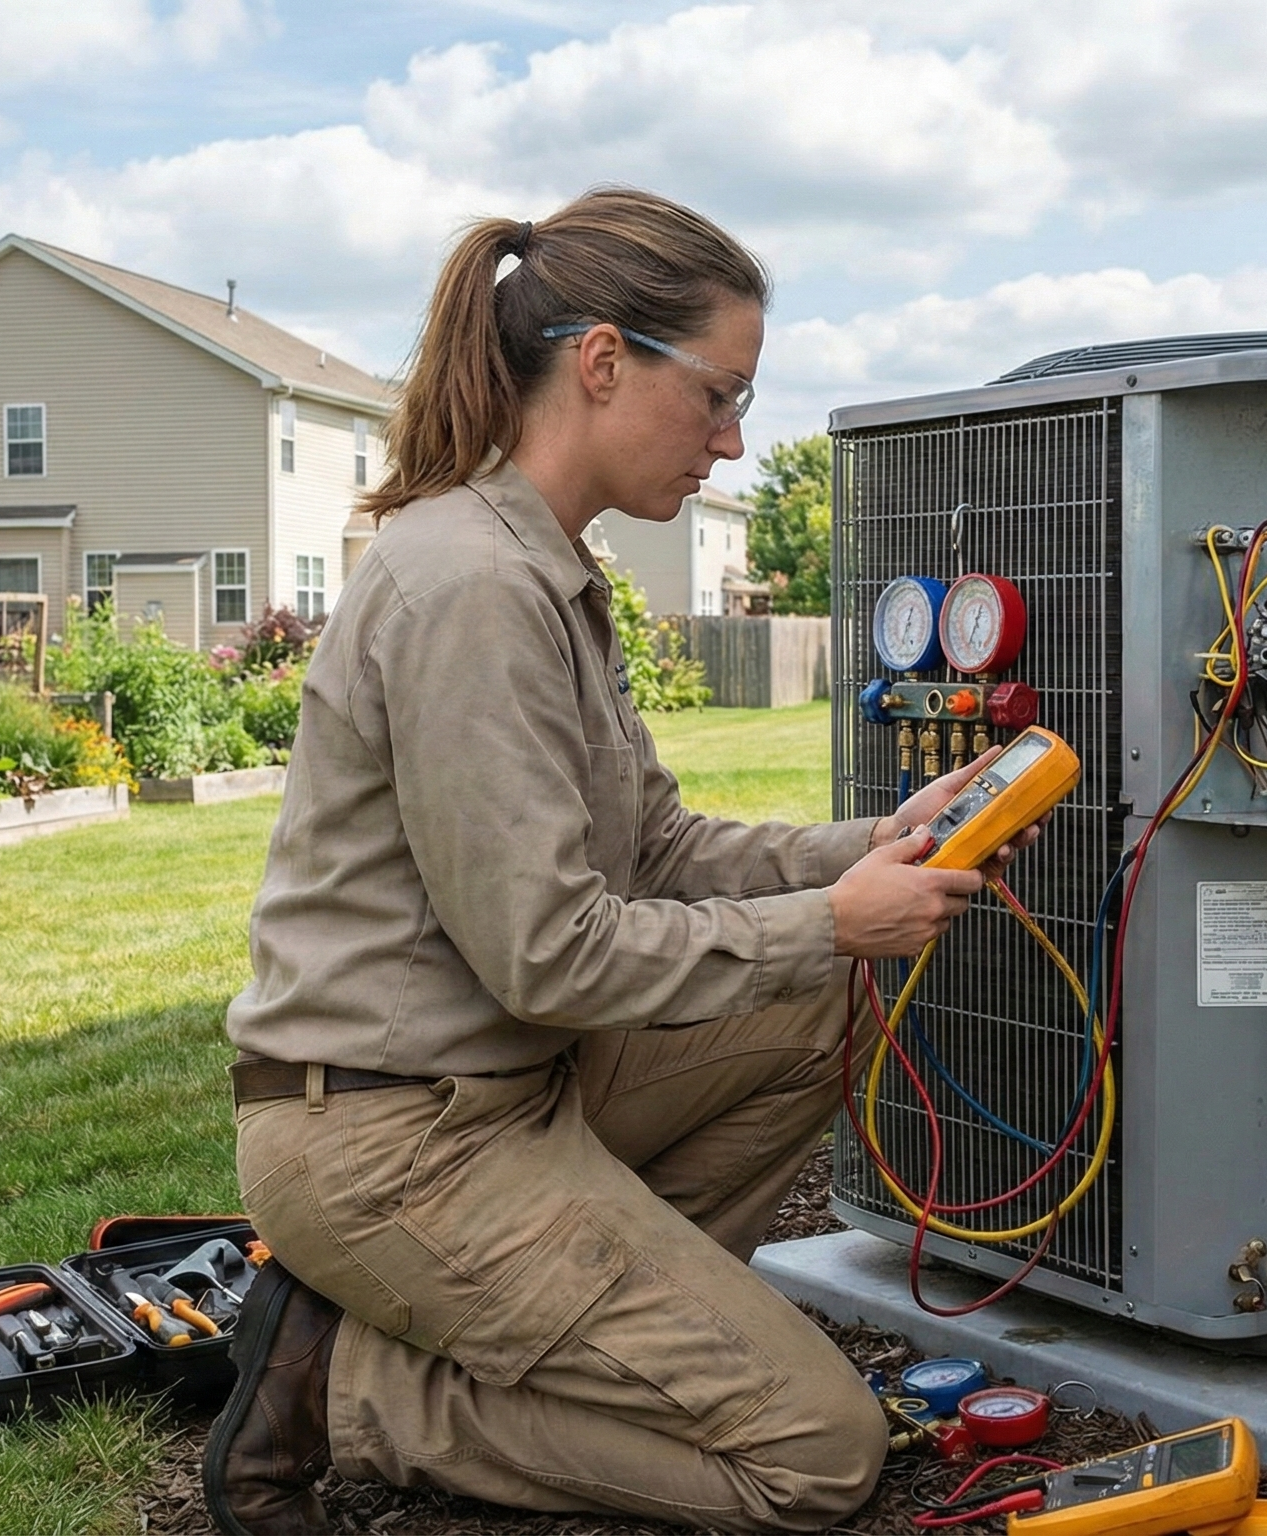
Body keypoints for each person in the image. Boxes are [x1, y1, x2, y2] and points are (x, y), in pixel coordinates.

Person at [204, 186, 1036, 1535]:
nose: (733, 439)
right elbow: (549, 956)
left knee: (810, 1003)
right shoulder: (470, 588)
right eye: (717, 395)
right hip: (390, 1139)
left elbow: (658, 846)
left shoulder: (547, 574)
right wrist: (834, 920)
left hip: (504, 1099)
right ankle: (353, 1393)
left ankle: (599, 1353)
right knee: (816, 1457)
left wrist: (869, 848)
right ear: (601, 363)